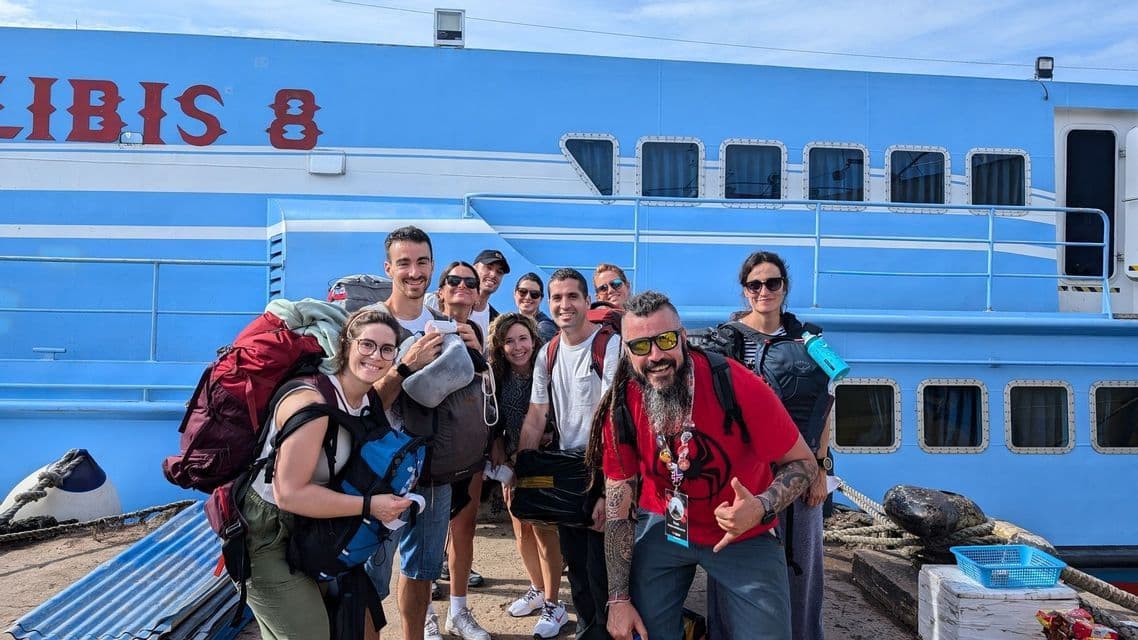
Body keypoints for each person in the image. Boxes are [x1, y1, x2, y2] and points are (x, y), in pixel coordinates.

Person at [589, 290, 817, 640]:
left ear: (683, 338)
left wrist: (761, 506)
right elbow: (620, 499)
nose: (656, 356)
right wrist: (618, 599)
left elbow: (803, 463)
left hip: (743, 531)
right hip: (667, 524)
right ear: (627, 351)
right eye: (641, 346)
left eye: (666, 340)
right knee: (643, 631)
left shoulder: (737, 384)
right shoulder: (623, 403)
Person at [243, 308, 413, 640]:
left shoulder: (364, 402)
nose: (376, 356)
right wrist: (369, 506)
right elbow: (289, 493)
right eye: (367, 345)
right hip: (267, 533)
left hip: (316, 529)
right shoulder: (313, 404)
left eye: (387, 349)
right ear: (346, 345)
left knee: (353, 623)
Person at [708, 251, 834, 640]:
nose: (764, 291)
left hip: (799, 468)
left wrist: (820, 467)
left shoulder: (810, 340)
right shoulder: (724, 340)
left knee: (802, 570)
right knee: (732, 565)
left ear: (785, 287)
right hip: (741, 474)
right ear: (745, 290)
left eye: (772, 282)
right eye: (755, 284)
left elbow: (826, 405)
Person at [367, 226, 483, 640]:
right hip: (377, 472)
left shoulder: (445, 325)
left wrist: (476, 356)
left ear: (433, 267)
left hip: (433, 471)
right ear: (388, 268)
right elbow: (360, 405)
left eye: (421, 262)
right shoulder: (370, 324)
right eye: (404, 263)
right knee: (368, 580)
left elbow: (465, 399)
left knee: (421, 573)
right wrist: (404, 366)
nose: (414, 272)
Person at [518, 268, 621, 640]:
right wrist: (523, 475)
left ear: (587, 301)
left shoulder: (610, 347)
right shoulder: (548, 352)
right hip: (568, 475)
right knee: (577, 565)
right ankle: (588, 631)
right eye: (557, 298)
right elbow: (536, 416)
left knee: (605, 571)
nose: (565, 305)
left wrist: (607, 490)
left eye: (572, 296)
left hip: (604, 470)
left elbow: (613, 421)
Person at [486, 312, 567, 638]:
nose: (517, 347)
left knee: (544, 533)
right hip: (513, 464)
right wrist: (499, 447)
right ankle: (537, 588)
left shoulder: (547, 369)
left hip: (543, 462)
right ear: (500, 345)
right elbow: (493, 417)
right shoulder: (497, 374)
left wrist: (549, 434)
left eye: (523, 339)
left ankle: (553, 603)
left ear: (534, 341)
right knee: (521, 531)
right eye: (509, 341)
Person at [432, 260, 493, 640]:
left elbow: (485, 388)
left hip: (469, 447)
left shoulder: (477, 332)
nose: (462, 286)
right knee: (425, 538)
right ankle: (425, 613)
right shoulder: (424, 325)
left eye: (470, 282)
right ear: (440, 290)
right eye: (453, 280)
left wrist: (478, 352)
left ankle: (458, 611)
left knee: (464, 529)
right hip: (431, 450)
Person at [470, 248, 510, 339]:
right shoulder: (452, 306)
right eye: (488, 267)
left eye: (499, 272)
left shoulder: (498, 323)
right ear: (474, 269)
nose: (493, 275)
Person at [513, 272, 557, 342]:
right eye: (522, 292)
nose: (528, 297)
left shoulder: (544, 328)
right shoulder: (511, 324)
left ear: (541, 298)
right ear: (515, 294)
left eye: (534, 294)